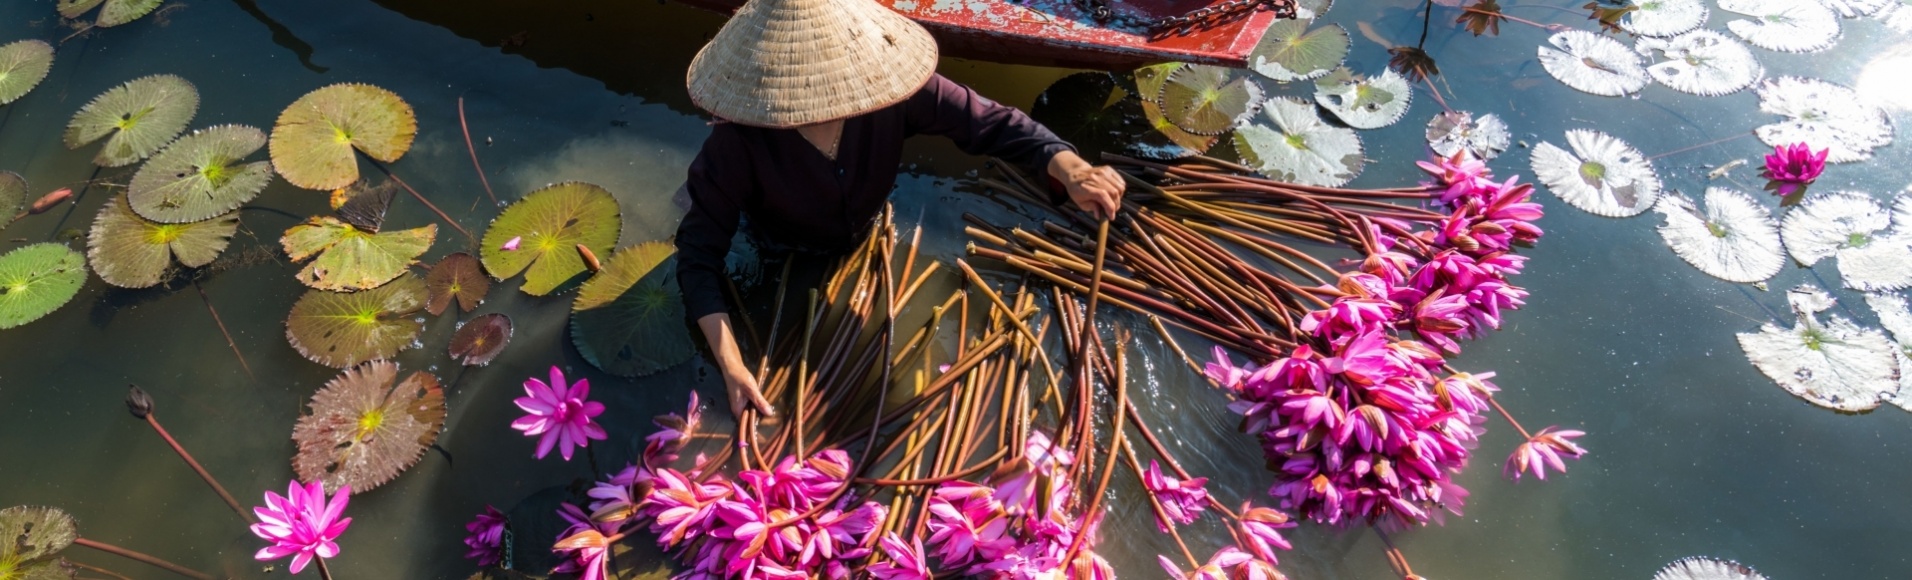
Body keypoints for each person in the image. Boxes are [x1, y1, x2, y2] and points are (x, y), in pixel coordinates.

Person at [674, 0, 1125, 418]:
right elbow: (697, 258)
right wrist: (732, 364)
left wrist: (1069, 167)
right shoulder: (736, 144)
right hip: (781, 246)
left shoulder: (889, 93)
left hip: (864, 227)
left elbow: (989, 122)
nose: (819, 98)